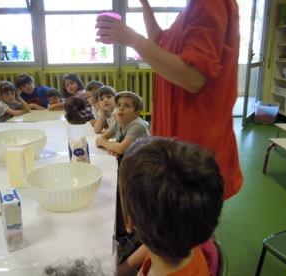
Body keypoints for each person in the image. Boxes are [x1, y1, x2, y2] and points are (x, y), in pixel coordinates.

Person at [96, 0, 243, 200]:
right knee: (182, 219)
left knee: (187, 219)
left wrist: (133, 39)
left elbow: (193, 77)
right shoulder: (191, 10)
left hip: (194, 150)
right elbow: (160, 41)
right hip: (181, 148)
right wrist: (144, 4)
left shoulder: (209, 3)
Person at [118, 137, 224, 276]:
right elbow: (150, 248)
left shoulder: (167, 238)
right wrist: (123, 268)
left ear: (129, 221)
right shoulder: (185, 235)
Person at [95, 91, 150, 157]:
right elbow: (101, 138)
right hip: (130, 158)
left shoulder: (137, 126)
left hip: (142, 162)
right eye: (118, 105)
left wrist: (105, 144)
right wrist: (112, 148)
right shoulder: (118, 122)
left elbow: (121, 149)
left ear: (136, 114)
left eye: (127, 106)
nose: (121, 108)